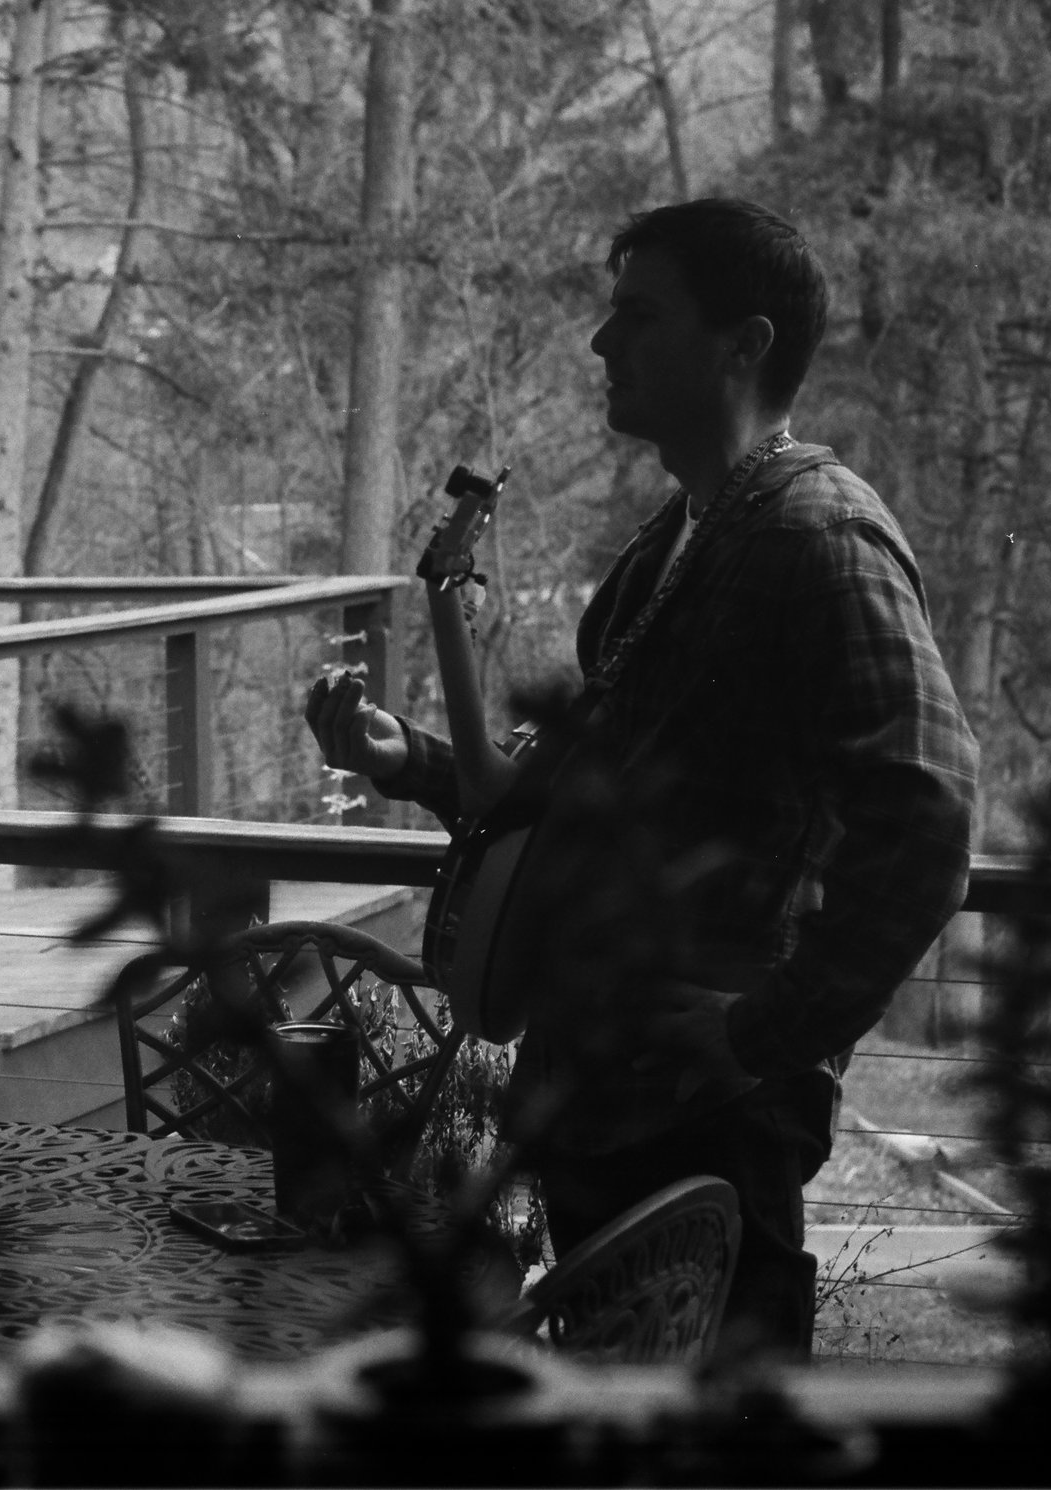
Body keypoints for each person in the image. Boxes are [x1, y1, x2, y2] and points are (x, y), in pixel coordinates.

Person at [305, 197, 978, 1358]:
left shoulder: (818, 539)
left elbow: (926, 820)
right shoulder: (674, 539)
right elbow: (577, 799)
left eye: (638, 314)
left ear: (744, 342)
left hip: (710, 1119)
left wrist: (768, 1031)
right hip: (603, 1101)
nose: (600, 342)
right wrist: (408, 759)